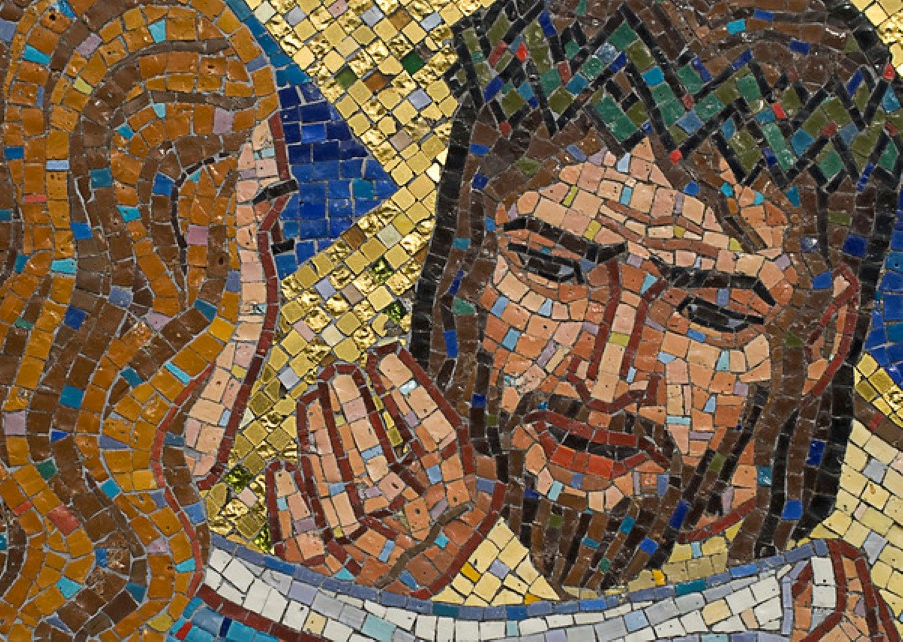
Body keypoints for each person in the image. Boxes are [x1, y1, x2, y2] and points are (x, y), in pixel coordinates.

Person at [262, 0, 903, 636]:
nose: (604, 379)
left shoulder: (831, 608)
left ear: (820, 338)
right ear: (466, 253)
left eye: (710, 312)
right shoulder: (333, 487)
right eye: (550, 268)